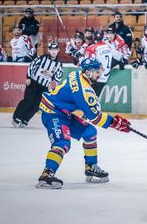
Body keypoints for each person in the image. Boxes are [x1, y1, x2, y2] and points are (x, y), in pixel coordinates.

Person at [35, 58, 131, 189]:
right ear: (88, 72)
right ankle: (46, 175)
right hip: (53, 113)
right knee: (62, 143)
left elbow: (76, 100)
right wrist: (115, 123)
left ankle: (91, 166)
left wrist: (86, 107)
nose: (100, 74)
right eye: (97, 71)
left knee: (90, 132)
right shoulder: (84, 90)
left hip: (64, 113)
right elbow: (95, 117)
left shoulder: (76, 74)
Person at [12, 42, 63, 128]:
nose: (53, 51)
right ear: (48, 50)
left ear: (58, 50)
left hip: (44, 87)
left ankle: (25, 119)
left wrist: (52, 76)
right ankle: (16, 117)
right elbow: (31, 66)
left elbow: (59, 76)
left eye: (55, 50)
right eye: (52, 49)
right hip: (33, 83)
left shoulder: (59, 65)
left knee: (37, 105)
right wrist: (28, 77)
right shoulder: (41, 58)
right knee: (28, 100)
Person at [83, 30, 114, 95]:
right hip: (105, 76)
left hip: (95, 77)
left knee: (88, 97)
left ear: (94, 37)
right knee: (95, 97)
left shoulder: (91, 48)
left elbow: (86, 63)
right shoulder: (108, 46)